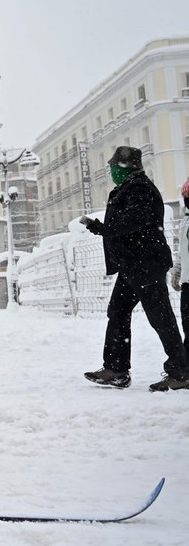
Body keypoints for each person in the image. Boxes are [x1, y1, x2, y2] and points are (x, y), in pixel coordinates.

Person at [82, 146, 188, 391]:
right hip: (133, 264)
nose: (110, 171)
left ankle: (181, 373)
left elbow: (135, 220)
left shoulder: (139, 188)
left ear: (124, 167)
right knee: (118, 312)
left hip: (145, 264)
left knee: (160, 318)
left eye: (113, 167)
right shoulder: (129, 187)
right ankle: (116, 370)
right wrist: (104, 228)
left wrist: (103, 227)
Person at [171, 177, 189, 347]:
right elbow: (182, 253)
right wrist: (176, 272)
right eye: (186, 195)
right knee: (187, 327)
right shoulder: (185, 223)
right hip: (187, 283)